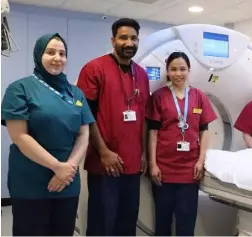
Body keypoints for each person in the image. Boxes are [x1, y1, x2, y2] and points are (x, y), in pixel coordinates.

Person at [1, 33, 95, 236]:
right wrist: (57, 167)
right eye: (50, 52)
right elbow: (20, 136)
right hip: (31, 181)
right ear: (38, 55)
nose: (57, 58)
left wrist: (68, 169)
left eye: (62, 53)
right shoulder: (19, 89)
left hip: (67, 181)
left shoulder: (75, 93)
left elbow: (83, 134)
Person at [76, 18, 150, 236]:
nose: (129, 43)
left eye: (134, 38)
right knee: (102, 222)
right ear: (113, 40)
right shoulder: (94, 69)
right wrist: (104, 152)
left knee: (127, 221)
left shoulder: (142, 75)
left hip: (133, 162)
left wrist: (144, 153)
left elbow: (144, 117)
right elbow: (85, 115)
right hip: (105, 163)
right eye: (123, 37)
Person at [146, 51, 217, 236]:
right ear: (167, 71)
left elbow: (204, 130)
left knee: (186, 222)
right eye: (174, 69)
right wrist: (152, 164)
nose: (178, 73)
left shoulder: (198, 96)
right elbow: (152, 132)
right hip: (163, 168)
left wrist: (201, 161)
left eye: (182, 69)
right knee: (163, 221)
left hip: (189, 169)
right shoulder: (159, 96)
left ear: (189, 70)